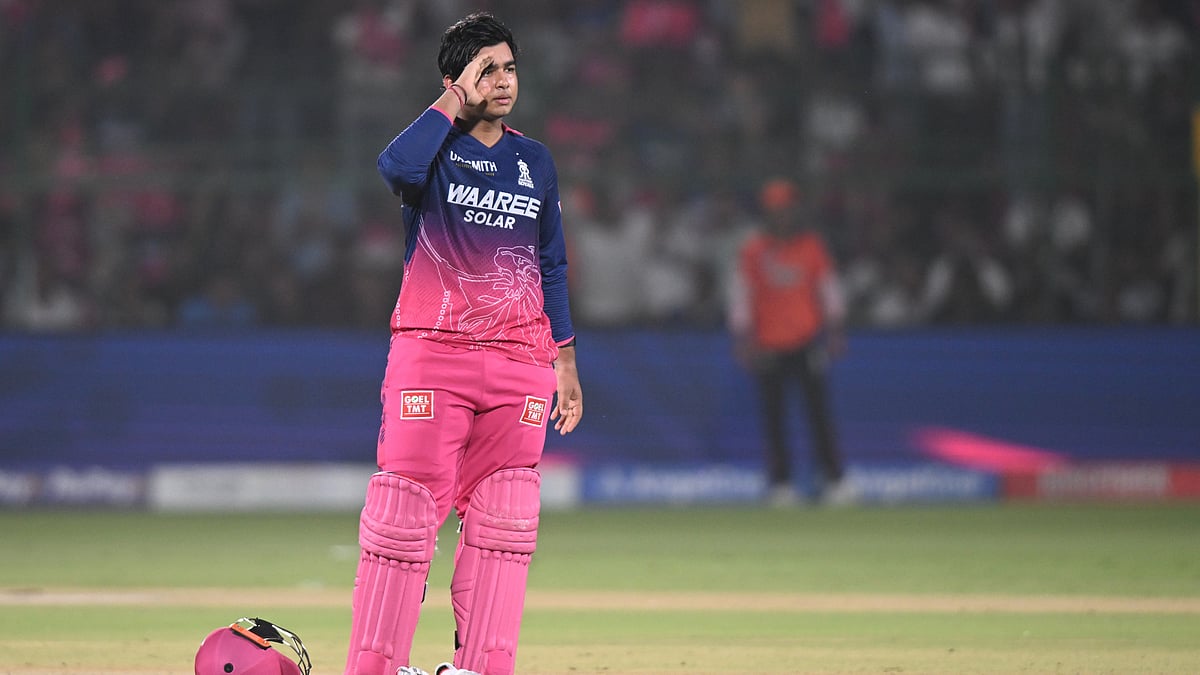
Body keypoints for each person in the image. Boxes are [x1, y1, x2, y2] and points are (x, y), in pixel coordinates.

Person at [343, 13, 583, 675]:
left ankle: (482, 667)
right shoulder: (433, 152)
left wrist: (564, 359)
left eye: (509, 67)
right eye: (488, 70)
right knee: (404, 514)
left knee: (506, 522)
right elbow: (392, 166)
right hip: (434, 352)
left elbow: (552, 264)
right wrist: (454, 98)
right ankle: (376, 667)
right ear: (456, 81)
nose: (503, 81)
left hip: (520, 362)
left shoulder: (534, 160)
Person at [728, 178, 851, 507]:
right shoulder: (754, 251)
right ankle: (781, 484)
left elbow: (828, 289)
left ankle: (834, 481)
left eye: (786, 209)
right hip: (768, 344)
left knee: (818, 415)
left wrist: (836, 329)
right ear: (767, 213)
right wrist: (742, 337)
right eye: (775, 210)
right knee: (774, 418)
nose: (782, 216)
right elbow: (743, 295)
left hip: (807, 340)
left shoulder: (811, 246)